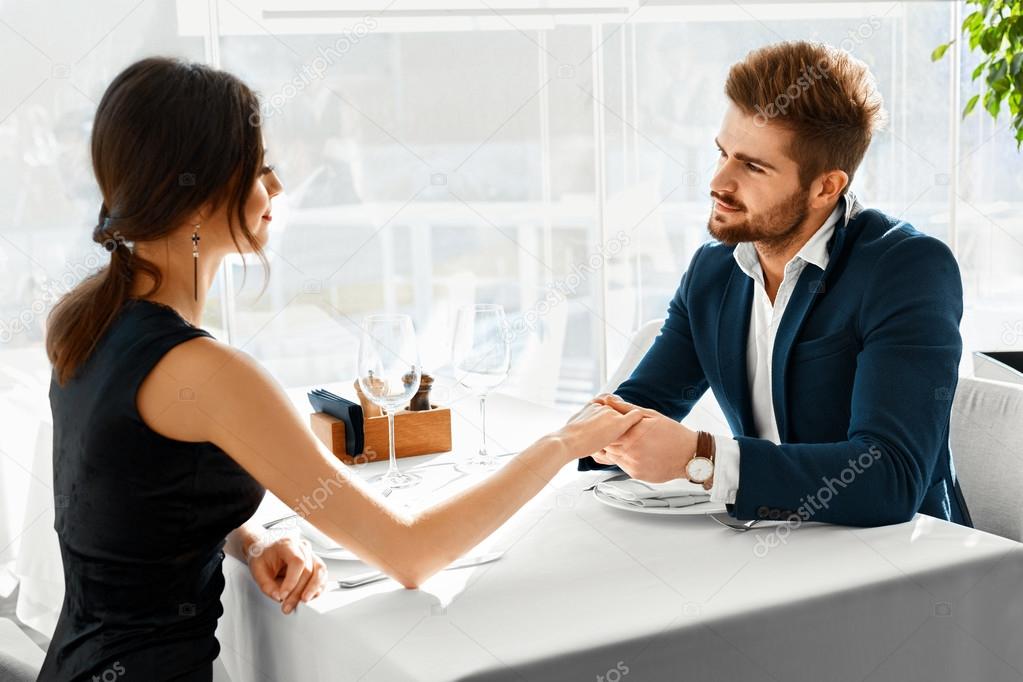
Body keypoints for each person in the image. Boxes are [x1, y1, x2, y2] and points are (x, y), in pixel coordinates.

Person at [39, 57, 645, 681]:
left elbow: (137, 503)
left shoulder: (86, 321)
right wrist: (563, 443)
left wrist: (248, 541)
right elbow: (410, 554)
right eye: (259, 167)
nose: (275, 187)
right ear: (195, 194)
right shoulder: (205, 372)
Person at [583, 41, 972, 529]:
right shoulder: (714, 269)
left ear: (826, 187)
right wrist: (590, 436)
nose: (718, 182)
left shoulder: (907, 269)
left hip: (904, 560)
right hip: (763, 544)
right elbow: (638, 406)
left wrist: (699, 457)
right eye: (722, 153)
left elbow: (889, 478)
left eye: (752, 166)